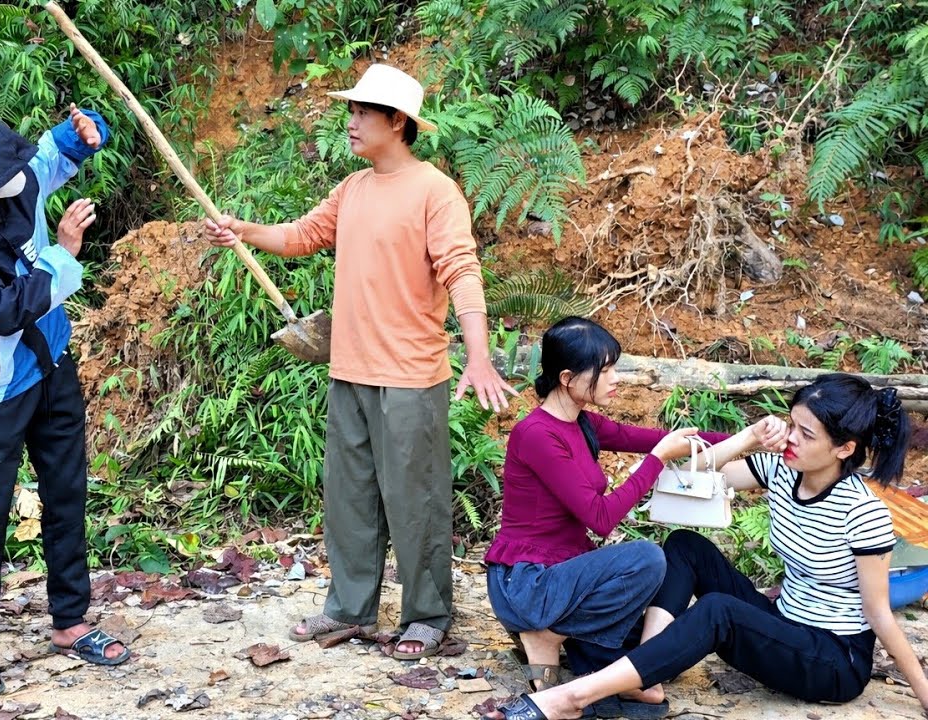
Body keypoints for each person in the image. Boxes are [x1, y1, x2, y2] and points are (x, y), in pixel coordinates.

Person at [203, 63, 516, 659]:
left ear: (397, 122)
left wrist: (479, 357)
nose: (350, 122)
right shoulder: (353, 189)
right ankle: (349, 608)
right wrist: (241, 230)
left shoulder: (434, 191)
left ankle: (427, 614)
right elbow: (301, 236)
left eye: (361, 112)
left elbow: (462, 271)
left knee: (415, 500)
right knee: (347, 496)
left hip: (410, 378)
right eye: (351, 111)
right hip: (348, 370)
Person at [492, 373, 928, 720]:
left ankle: (571, 697)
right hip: (783, 621)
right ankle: (645, 674)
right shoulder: (780, 469)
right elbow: (692, 476)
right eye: (791, 424)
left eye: (806, 434)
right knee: (684, 546)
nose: (791, 438)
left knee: (718, 609)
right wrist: (750, 438)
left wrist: (924, 693)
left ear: (845, 448)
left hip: (832, 660)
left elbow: (878, 614)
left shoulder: (863, 512)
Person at [0, 100, 128, 699]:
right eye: (0, 188)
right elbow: (6, 310)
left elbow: (48, 157)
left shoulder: (12, 175)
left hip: (53, 360)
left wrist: (82, 135)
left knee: (67, 491)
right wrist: (65, 251)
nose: (15, 190)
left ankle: (71, 621)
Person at [482, 317, 761, 719]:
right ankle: (548, 633)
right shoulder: (537, 434)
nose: (616, 378)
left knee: (665, 602)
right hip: (530, 583)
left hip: (567, 577)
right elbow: (600, 518)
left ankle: (575, 651)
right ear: (567, 377)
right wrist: (655, 462)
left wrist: (749, 439)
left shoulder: (583, 422)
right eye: (606, 370)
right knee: (647, 558)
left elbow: (659, 440)